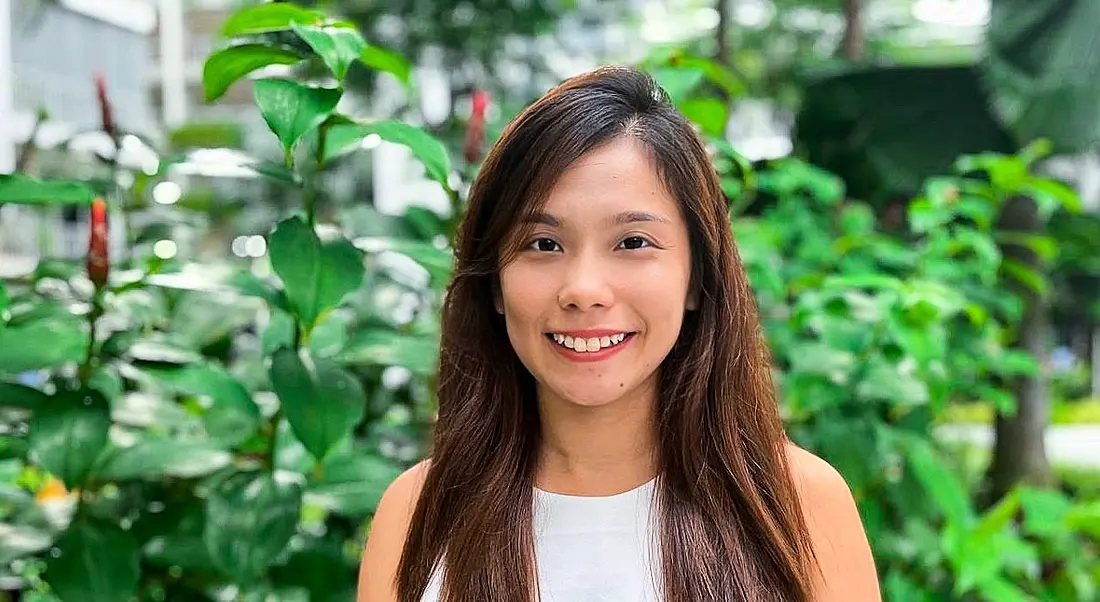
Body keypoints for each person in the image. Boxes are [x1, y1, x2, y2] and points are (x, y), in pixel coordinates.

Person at [357, 65, 881, 602]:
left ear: (696, 278)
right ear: (494, 283)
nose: (583, 289)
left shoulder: (798, 506)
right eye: (543, 244)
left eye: (632, 242)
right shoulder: (418, 512)